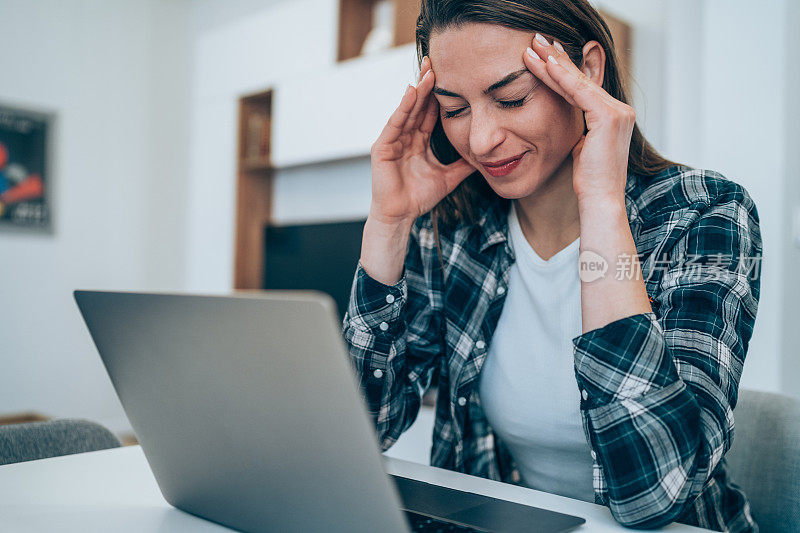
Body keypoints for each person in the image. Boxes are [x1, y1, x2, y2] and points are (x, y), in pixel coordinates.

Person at [341, 1, 762, 531]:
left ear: (586, 71)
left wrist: (603, 204)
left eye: (511, 98)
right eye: (454, 109)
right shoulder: (453, 230)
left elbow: (656, 494)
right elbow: (361, 433)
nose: (481, 139)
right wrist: (388, 223)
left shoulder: (703, 214)